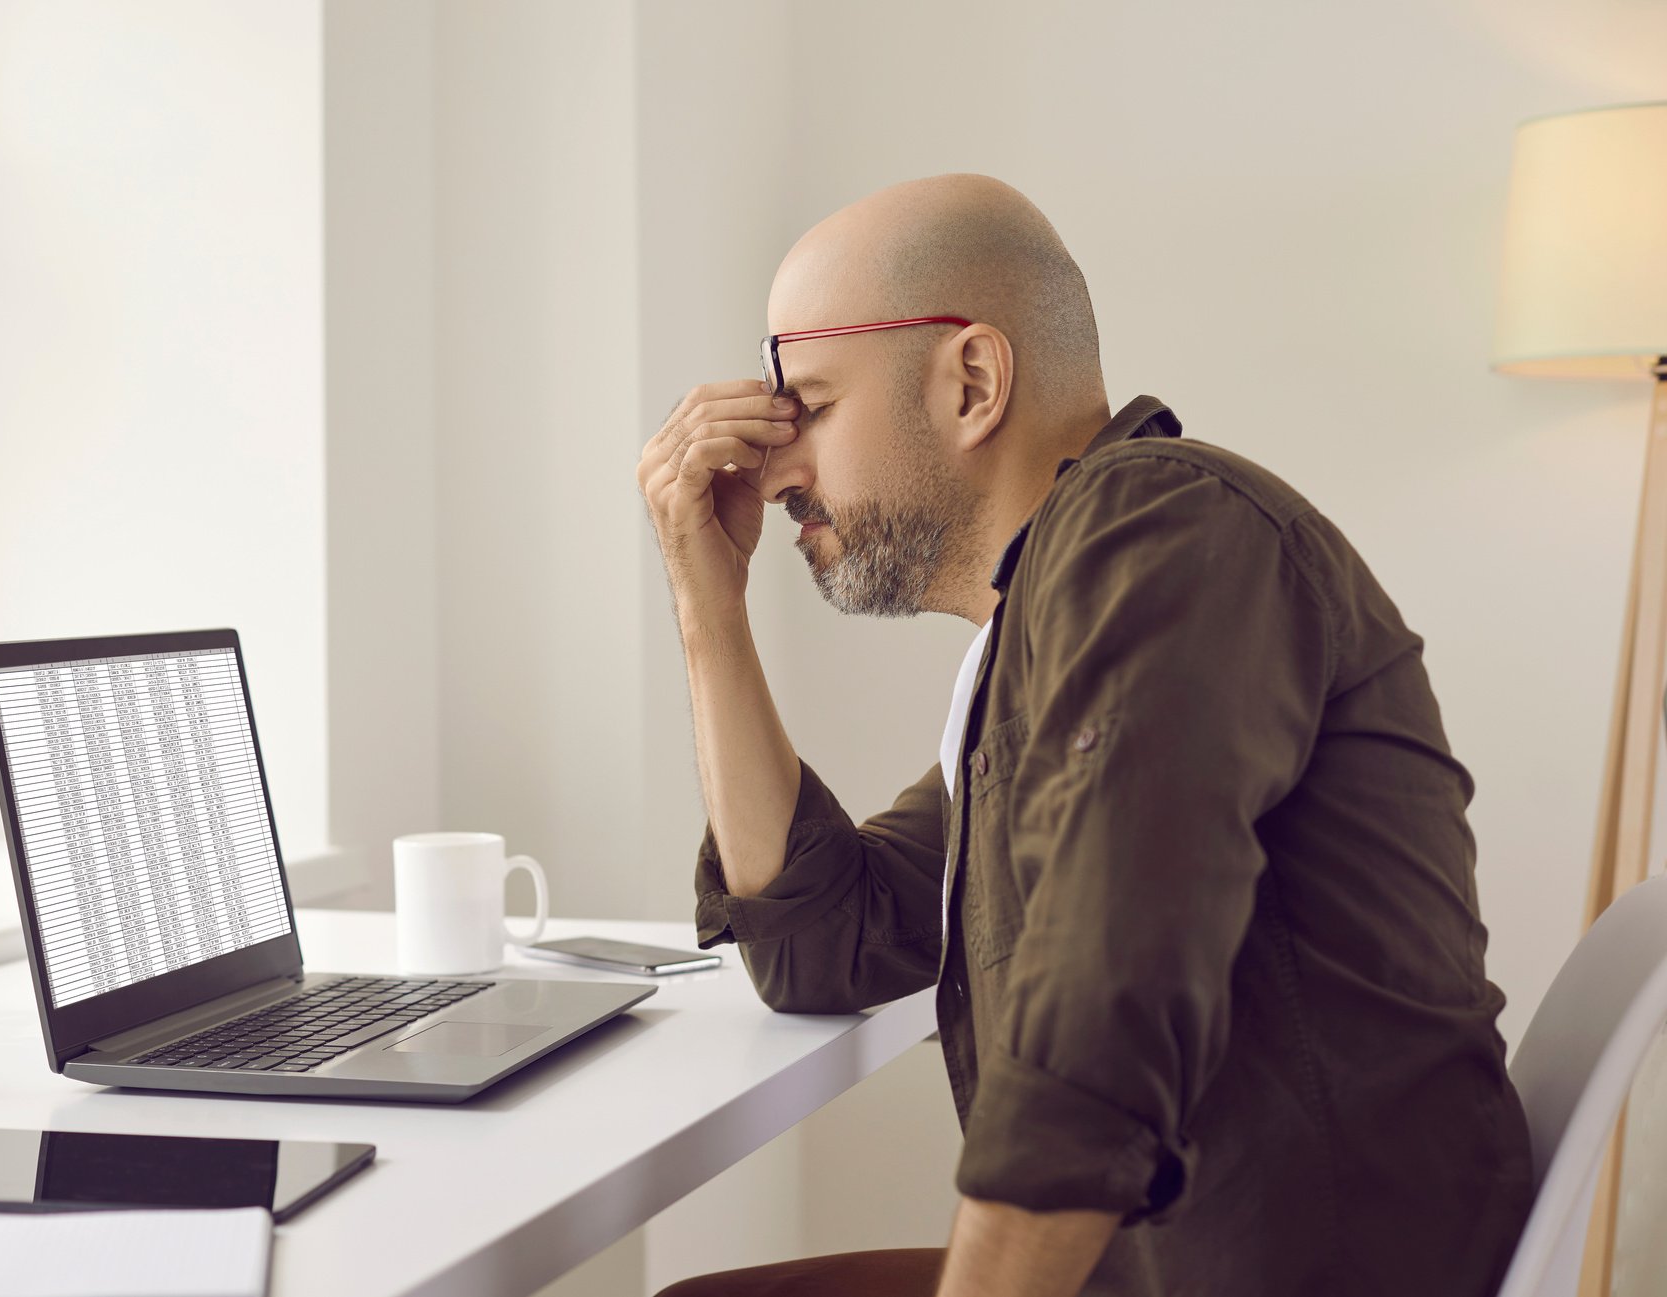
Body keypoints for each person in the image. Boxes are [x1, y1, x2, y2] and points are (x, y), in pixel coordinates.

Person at [633, 174, 1534, 1297]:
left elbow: (1101, 1012)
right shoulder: (1045, 652)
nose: (774, 472)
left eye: (807, 405)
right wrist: (705, 601)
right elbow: (824, 940)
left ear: (971, 380)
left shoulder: (1161, 532)